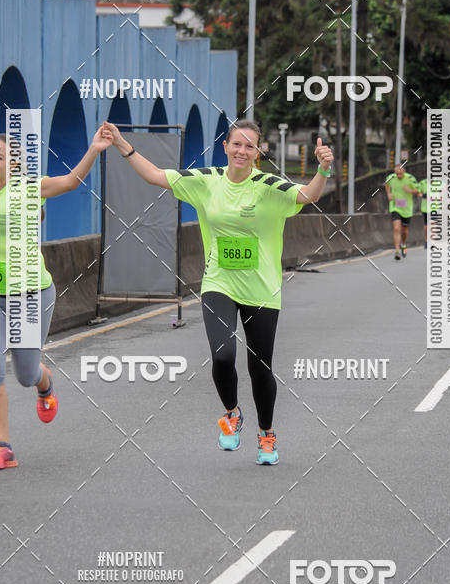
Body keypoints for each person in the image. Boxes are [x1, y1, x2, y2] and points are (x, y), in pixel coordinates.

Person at [104, 119, 333, 466]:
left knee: (260, 368)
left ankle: (266, 434)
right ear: (225, 147)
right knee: (223, 356)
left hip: (261, 290)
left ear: (258, 152)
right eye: (236, 144)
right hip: (218, 283)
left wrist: (323, 169)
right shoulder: (206, 181)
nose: (242, 151)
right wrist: (122, 144)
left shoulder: (268, 186)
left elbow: (308, 195)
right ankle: (232, 413)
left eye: (249, 146)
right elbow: (155, 175)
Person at [0, 121, 112, 470]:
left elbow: (70, 182)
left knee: (26, 374)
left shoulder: (29, 189)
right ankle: (3, 448)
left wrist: (94, 148)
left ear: (14, 165)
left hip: (30, 295)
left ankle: (44, 384)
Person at [384, 164, 418, 260]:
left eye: (400, 174)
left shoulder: (410, 178)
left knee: (404, 231)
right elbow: (386, 184)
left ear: (404, 171)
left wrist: (409, 190)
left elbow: (418, 191)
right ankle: (397, 251)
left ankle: (403, 243)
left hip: (407, 208)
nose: (398, 175)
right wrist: (389, 193)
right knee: (396, 228)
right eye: (397, 173)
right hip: (395, 206)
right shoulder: (391, 177)